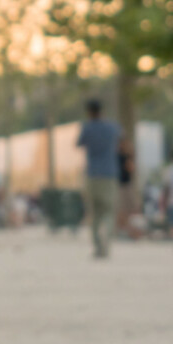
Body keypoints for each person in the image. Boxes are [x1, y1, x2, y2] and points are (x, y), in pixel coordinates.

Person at [78, 99, 123, 259]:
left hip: (92, 174)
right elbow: (121, 141)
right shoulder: (112, 127)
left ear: (89, 112)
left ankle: (97, 246)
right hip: (110, 174)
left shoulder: (87, 128)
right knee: (109, 211)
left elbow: (79, 144)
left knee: (94, 213)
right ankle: (107, 241)